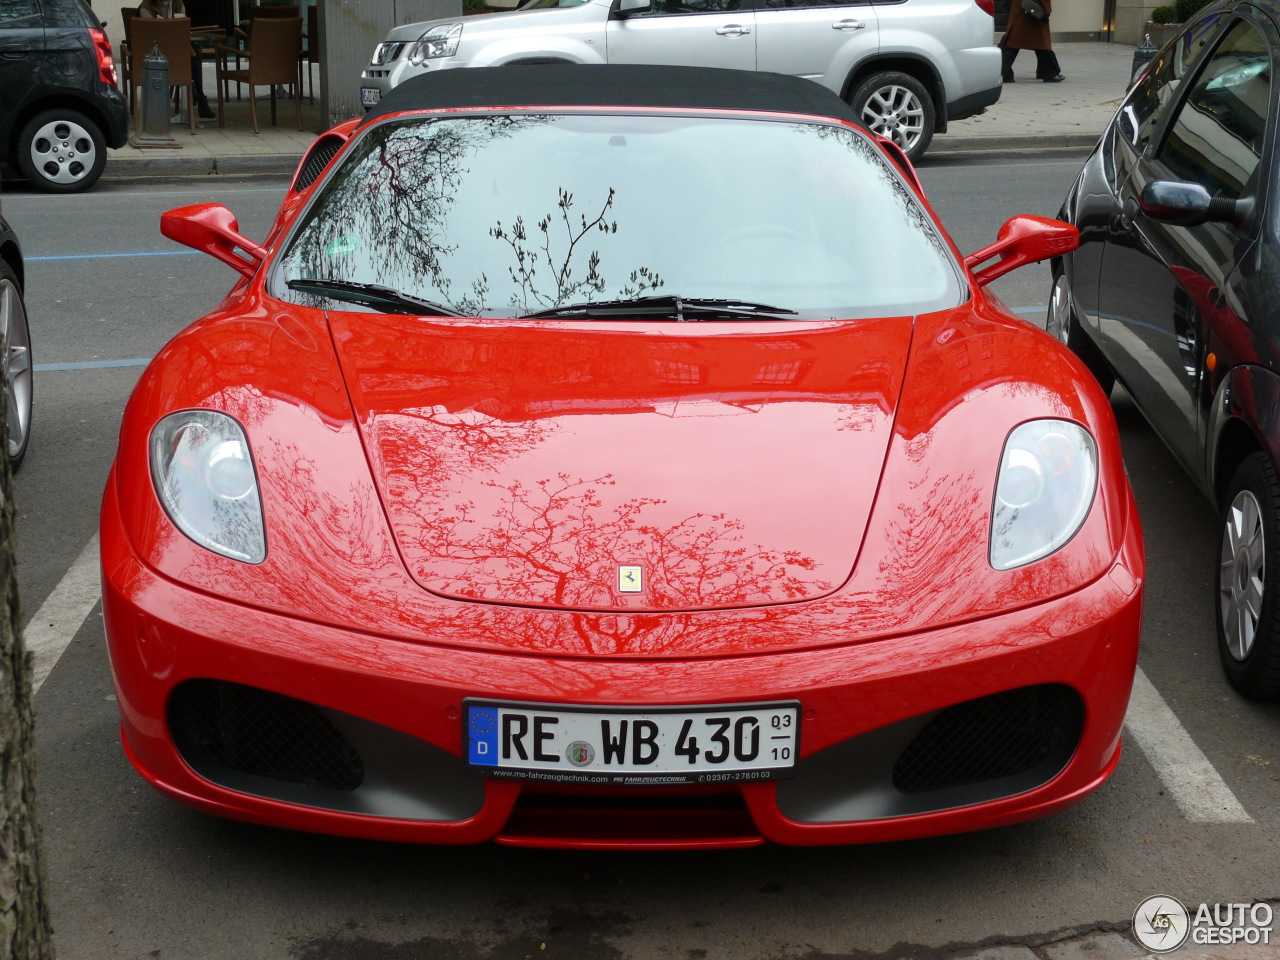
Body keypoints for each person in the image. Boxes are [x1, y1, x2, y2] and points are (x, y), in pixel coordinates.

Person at [137, 0, 218, 120]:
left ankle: (197, 96)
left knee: (190, 56)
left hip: (175, 48)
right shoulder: (147, 6)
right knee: (189, 58)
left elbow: (184, 28)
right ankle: (199, 98)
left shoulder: (178, 4)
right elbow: (151, 32)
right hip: (155, 53)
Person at [1000, 0, 1064, 83]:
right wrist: (1046, 10)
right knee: (1041, 42)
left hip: (1024, 7)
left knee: (1013, 40)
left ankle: (1002, 72)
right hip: (1033, 9)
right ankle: (1049, 73)